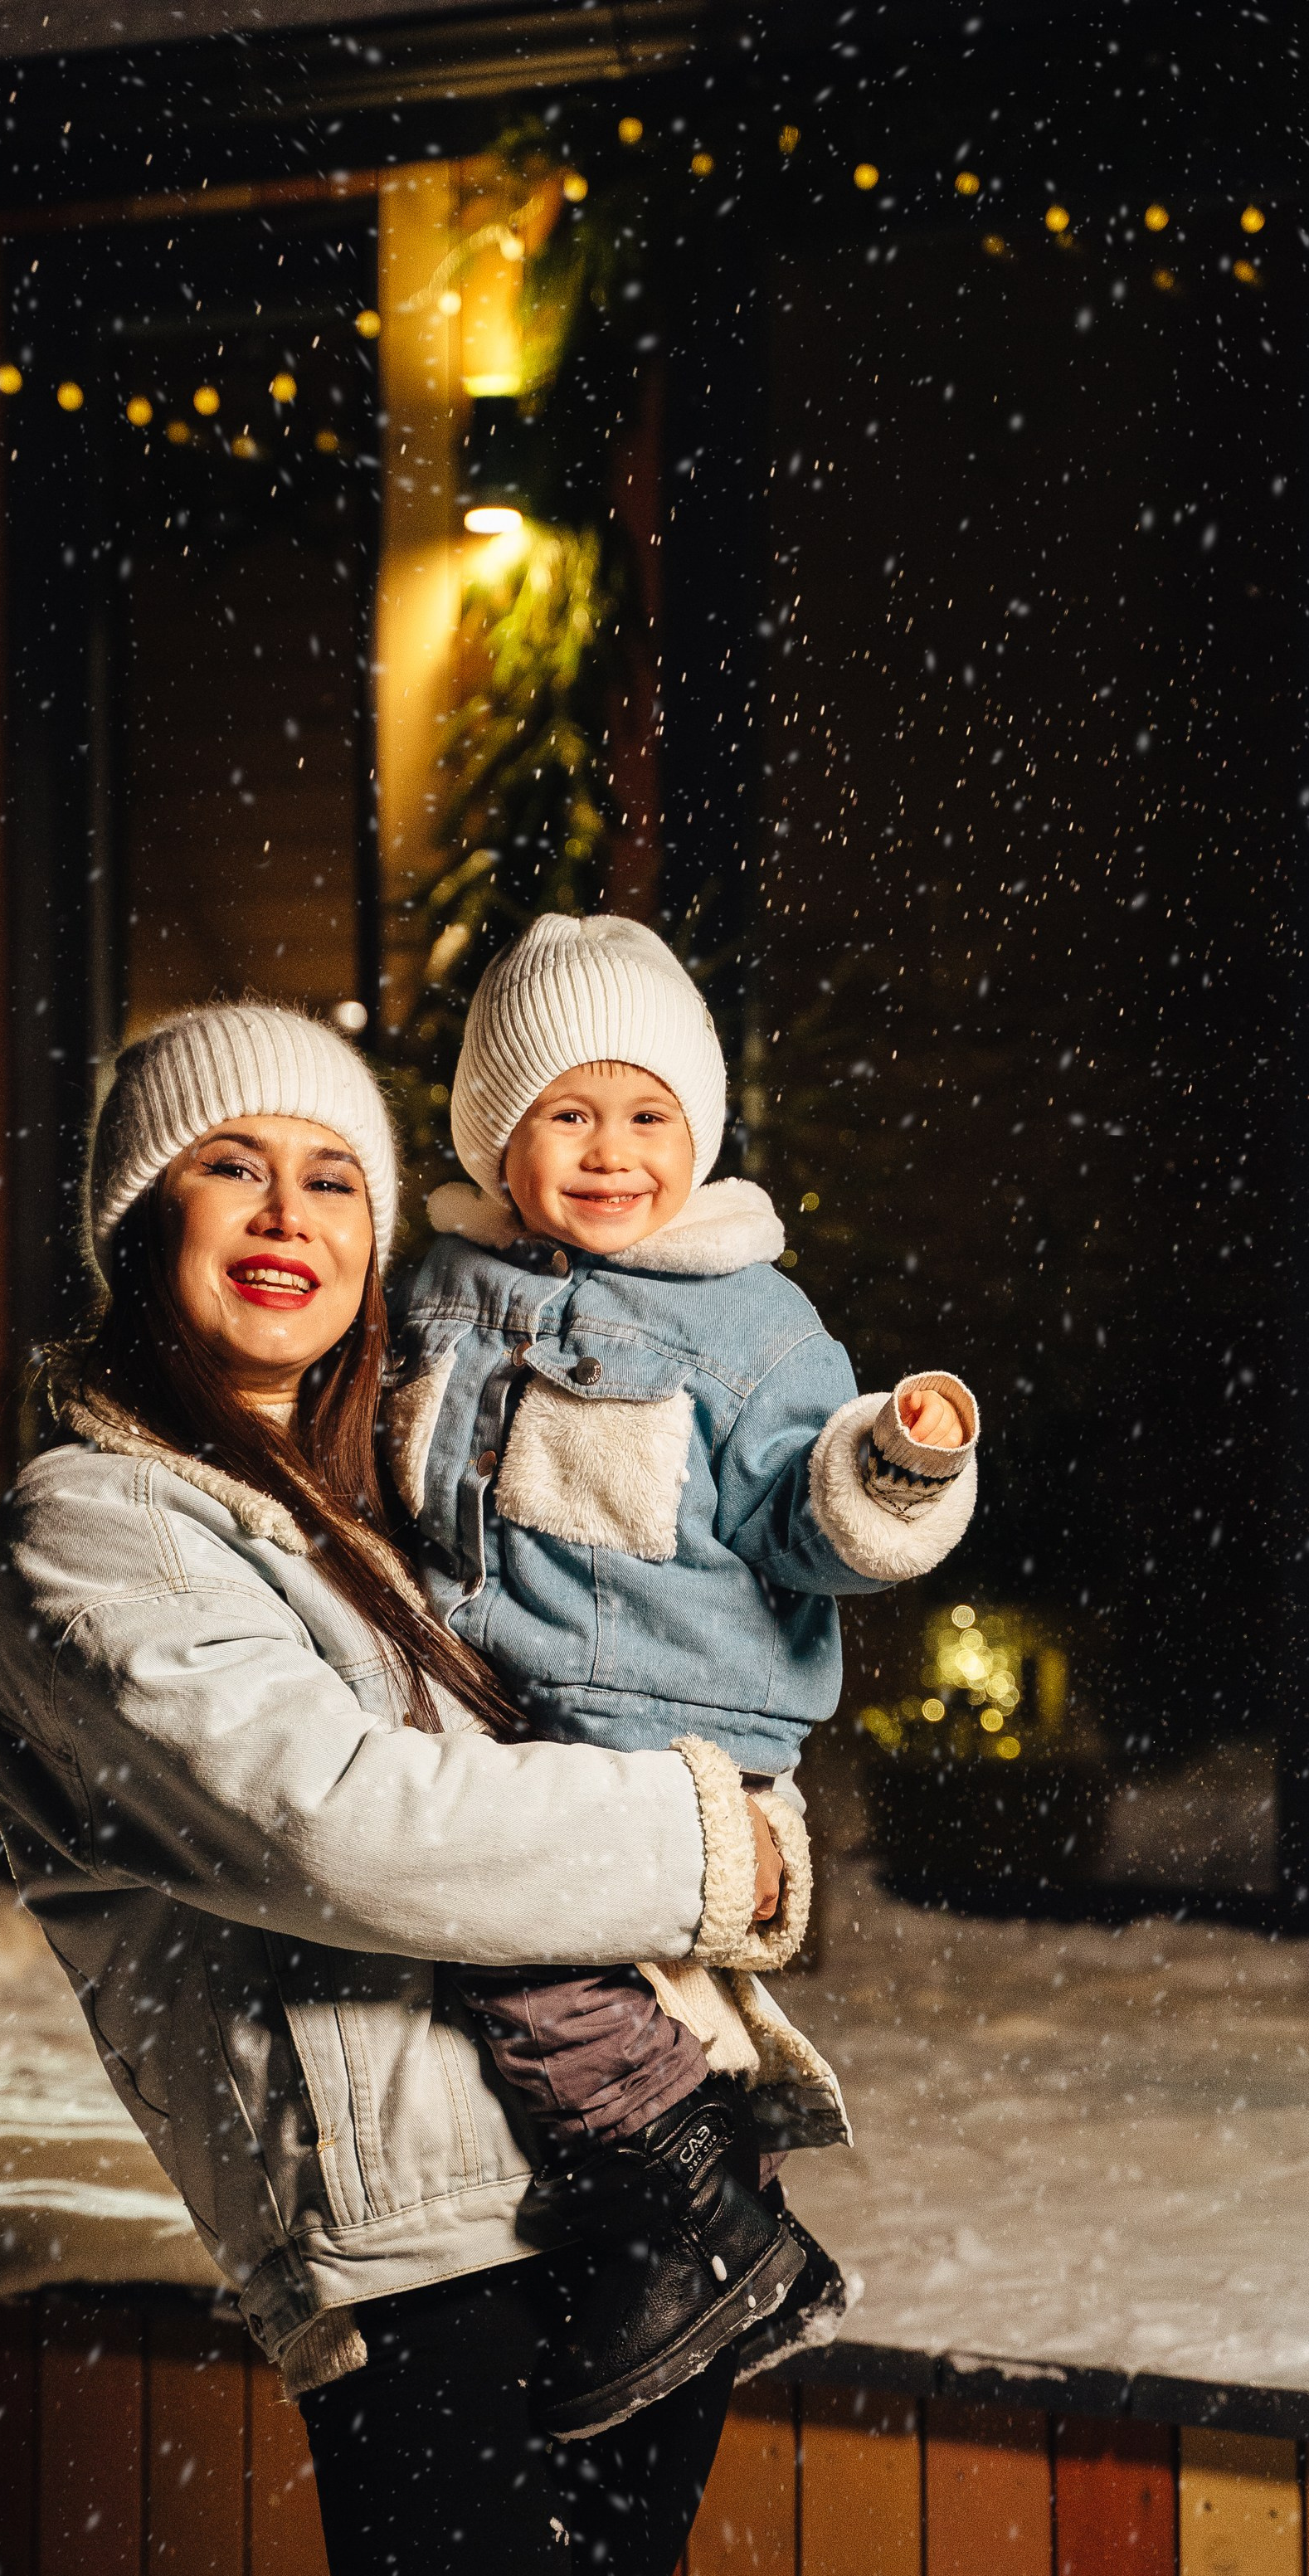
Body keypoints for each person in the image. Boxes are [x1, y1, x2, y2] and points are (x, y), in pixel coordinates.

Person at [0, 1000, 842, 2576]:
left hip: (635, 2204)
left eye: (333, 1174)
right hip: (416, 2256)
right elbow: (345, 1825)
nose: (286, 1210)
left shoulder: (383, 1505)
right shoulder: (94, 1529)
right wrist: (720, 1839)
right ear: (138, 1223)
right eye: (231, 1164)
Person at [390, 912, 981, 2438]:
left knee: (525, 1957)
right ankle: (673, 2239)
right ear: (493, 1133)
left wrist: (896, 1465)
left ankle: (706, 2202)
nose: (608, 1151)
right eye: (566, 1114)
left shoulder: (747, 1321)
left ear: (699, 1135)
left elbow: (808, 1513)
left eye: (647, 1116)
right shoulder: (437, 1289)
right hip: (492, 1699)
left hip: (664, 1728)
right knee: (498, 1968)